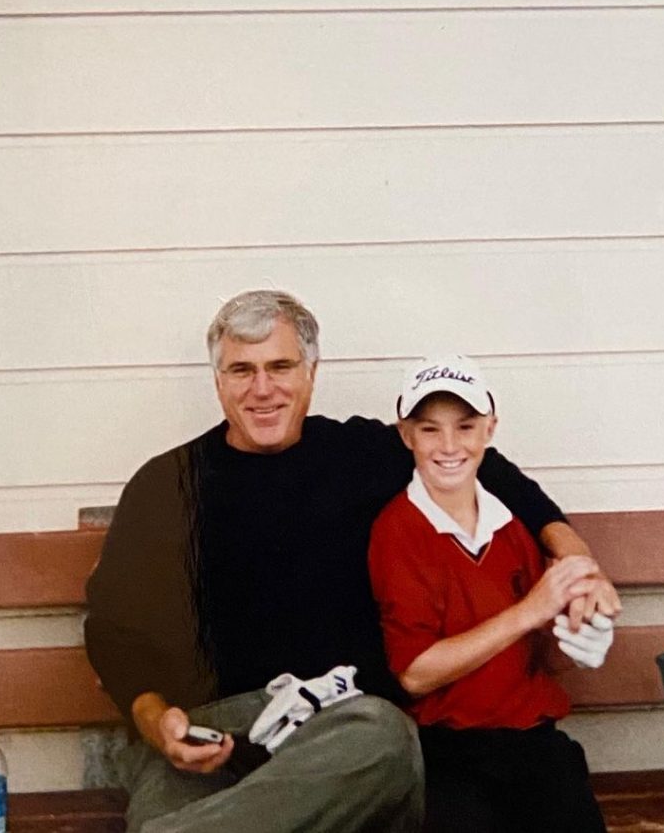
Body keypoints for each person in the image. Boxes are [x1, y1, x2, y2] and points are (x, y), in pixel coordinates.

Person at [85, 290, 620, 833]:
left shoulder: (361, 454)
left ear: (312, 373)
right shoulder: (166, 486)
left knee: (383, 738)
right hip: (211, 739)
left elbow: (492, 471)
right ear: (218, 381)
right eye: (241, 370)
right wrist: (159, 725)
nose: (262, 388)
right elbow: (114, 636)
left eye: (281, 366)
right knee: (171, 810)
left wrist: (577, 559)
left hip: (337, 735)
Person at [368, 354, 614, 832]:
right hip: (447, 748)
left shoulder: (516, 522)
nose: (448, 446)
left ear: (489, 430)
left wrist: (581, 639)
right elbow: (415, 674)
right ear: (406, 435)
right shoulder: (397, 531)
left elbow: (540, 654)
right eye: (429, 429)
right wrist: (528, 612)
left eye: (465, 427)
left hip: (532, 738)